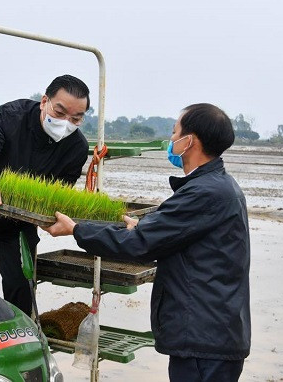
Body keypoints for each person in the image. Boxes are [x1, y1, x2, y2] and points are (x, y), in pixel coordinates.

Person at [43, 103, 251, 382]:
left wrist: (77, 230)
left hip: (204, 340)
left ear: (190, 141)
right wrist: (144, 226)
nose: (171, 139)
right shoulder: (217, 186)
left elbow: (139, 245)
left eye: (175, 132)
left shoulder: (206, 192)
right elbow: (174, 232)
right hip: (212, 333)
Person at [0, 74, 90, 315]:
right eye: (60, 112)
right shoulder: (10, 116)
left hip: (18, 223)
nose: (66, 123)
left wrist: (50, 219)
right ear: (44, 101)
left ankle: (20, 335)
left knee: (20, 283)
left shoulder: (76, 147)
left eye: (76, 118)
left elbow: (58, 193)